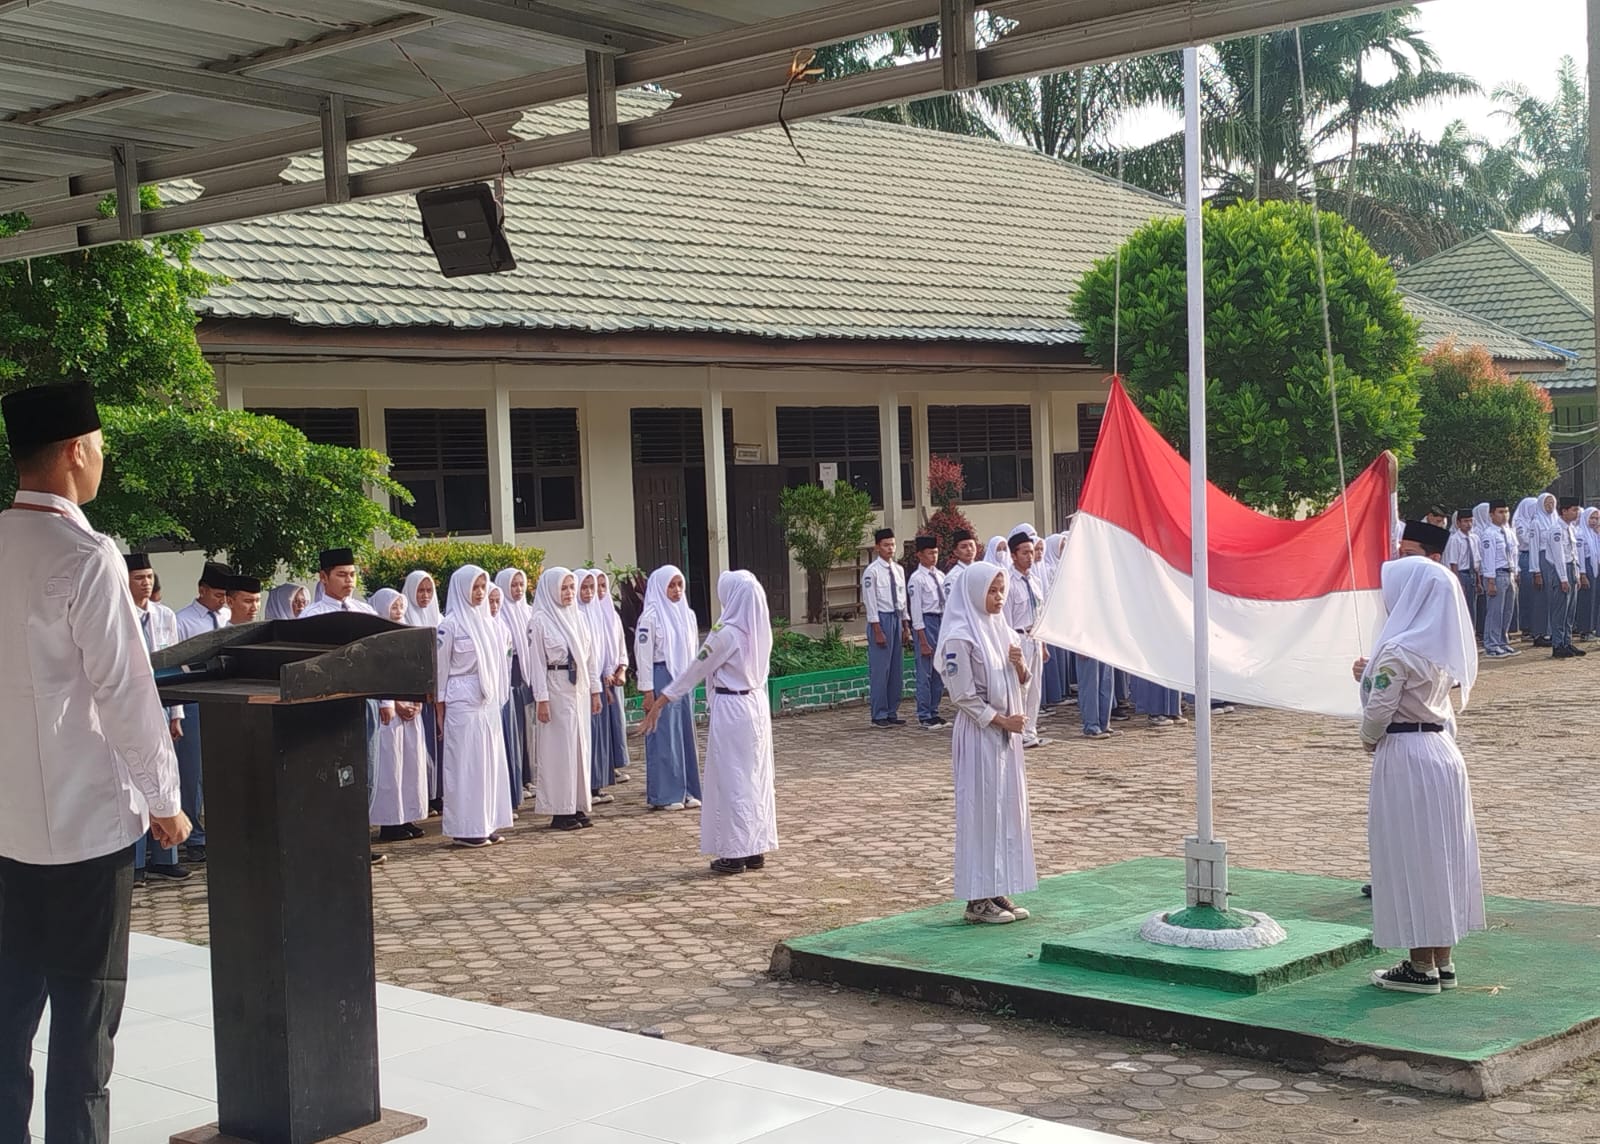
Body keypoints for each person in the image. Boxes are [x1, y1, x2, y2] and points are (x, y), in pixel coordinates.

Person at [0, 380, 192, 1144]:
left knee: (9, 1014)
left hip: (6, 828)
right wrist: (165, 799)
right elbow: (124, 690)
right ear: (77, 452)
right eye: (102, 446)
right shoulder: (86, 555)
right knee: (85, 1022)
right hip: (84, 832)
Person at [1358, 557, 1485, 995]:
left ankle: (1419, 965)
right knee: (1442, 854)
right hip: (1444, 753)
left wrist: (1367, 737)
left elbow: (1379, 711)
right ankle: (1442, 959)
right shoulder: (1441, 650)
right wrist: (1370, 676)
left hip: (1407, 754)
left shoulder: (1397, 650)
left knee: (1411, 854)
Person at [641, 570, 777, 875]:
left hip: (732, 708)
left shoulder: (726, 633)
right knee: (754, 777)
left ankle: (735, 852)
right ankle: (755, 847)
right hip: (755, 704)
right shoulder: (758, 630)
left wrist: (662, 701)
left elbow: (695, 670)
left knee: (732, 778)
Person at [935, 559, 1037, 925]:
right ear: (975, 592)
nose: (997, 599)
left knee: (1004, 811)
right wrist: (1001, 720)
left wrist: (1021, 665)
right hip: (980, 734)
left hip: (1005, 738)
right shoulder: (960, 636)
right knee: (980, 811)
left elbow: (1018, 682)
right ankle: (976, 900)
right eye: (991, 592)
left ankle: (996, 886)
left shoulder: (1001, 629)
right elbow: (962, 695)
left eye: (1001, 591)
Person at [435, 565, 513, 847]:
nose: (479, 593)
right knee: (465, 764)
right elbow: (440, 671)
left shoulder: (489, 623)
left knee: (488, 762)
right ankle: (465, 827)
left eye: (483, 587)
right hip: (461, 700)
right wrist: (440, 710)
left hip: (487, 700)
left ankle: (487, 821)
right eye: (474, 588)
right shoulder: (450, 625)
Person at [124, 554, 190, 885]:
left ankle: (167, 856)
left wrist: (176, 713)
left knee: (167, 775)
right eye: (138, 578)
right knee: (138, 779)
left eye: (149, 577)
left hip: (163, 702)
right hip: (134, 705)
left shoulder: (164, 615)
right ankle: (135, 862)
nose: (146, 583)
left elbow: (175, 664)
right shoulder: (121, 615)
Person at [529, 567, 601, 832]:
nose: (569, 593)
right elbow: (536, 662)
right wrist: (542, 699)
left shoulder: (578, 617)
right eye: (564, 588)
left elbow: (589, 657)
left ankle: (578, 803)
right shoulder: (540, 620)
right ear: (551, 590)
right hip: (556, 685)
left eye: (572, 587)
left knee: (580, 746)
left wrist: (595, 691)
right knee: (560, 750)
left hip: (578, 687)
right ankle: (560, 809)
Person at [171, 560, 232, 864]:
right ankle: (195, 835)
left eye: (225, 596)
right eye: (217, 595)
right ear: (202, 590)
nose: (221, 601)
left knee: (224, 766)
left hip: (226, 699)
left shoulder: (229, 617)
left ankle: (223, 830)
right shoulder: (183, 620)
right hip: (196, 700)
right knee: (193, 771)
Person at [635, 565, 703, 812]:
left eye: (679, 585)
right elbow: (642, 656)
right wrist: (647, 690)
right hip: (661, 675)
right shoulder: (650, 617)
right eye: (671, 586)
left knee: (684, 734)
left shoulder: (688, 614)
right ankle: (665, 794)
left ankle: (687, 789)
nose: (676, 591)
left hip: (684, 678)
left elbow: (694, 649)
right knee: (664, 735)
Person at [367, 589, 429, 844]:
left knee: (410, 767)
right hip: (390, 712)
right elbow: (379, 674)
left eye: (401, 606)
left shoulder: (407, 633)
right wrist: (393, 702)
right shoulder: (378, 638)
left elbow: (416, 671)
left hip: (410, 710)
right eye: (394, 607)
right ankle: (390, 822)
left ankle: (407, 816)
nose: (399, 611)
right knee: (391, 768)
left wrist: (417, 701)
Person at [401, 570, 445, 808]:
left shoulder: (440, 620)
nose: (425, 596)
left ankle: (438, 794)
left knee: (438, 742)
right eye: (420, 590)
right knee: (421, 746)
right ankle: (424, 796)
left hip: (438, 692)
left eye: (429, 591)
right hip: (416, 694)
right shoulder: (404, 620)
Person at [1004, 531, 1050, 748]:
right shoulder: (1008, 582)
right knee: (1019, 687)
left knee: (1035, 688)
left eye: (1032, 552)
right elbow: (1005, 620)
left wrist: (1044, 644)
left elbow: (1040, 612)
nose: (1030, 557)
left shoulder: (1035, 581)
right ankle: (1018, 731)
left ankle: (1030, 730)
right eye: (1024, 553)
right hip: (1019, 638)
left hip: (1035, 638)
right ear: (1014, 555)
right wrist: (1011, 647)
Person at [494, 568, 535, 808]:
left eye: (521, 584)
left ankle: (526, 777)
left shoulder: (528, 611)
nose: (518, 590)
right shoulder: (501, 614)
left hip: (527, 672)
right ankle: (515, 780)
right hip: (512, 672)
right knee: (514, 728)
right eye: (513, 585)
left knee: (526, 729)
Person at [576, 571, 618, 805]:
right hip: (584, 683)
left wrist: (607, 672)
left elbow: (604, 645)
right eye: (585, 587)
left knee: (600, 736)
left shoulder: (595, 612)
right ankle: (589, 785)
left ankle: (598, 784)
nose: (589, 592)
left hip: (599, 680)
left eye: (592, 587)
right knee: (589, 734)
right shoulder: (577, 614)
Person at [860, 527, 909, 728]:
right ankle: (878, 713)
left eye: (893, 545)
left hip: (897, 618)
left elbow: (903, 599)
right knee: (881, 669)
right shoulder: (872, 572)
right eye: (886, 545)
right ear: (877, 547)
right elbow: (871, 603)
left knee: (896, 669)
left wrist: (906, 625)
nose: (890, 549)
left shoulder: (898, 570)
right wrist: (877, 629)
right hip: (881, 620)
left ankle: (891, 710)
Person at [484, 585, 524, 814]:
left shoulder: (503, 628)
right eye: (491, 601)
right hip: (487, 700)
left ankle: (511, 799)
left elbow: (507, 663)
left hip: (503, 695)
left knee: (509, 748)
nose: (494, 606)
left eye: (498, 601)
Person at [594, 571, 633, 783]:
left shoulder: (613, 615)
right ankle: (603, 766)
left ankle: (615, 764)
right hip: (599, 678)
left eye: (602, 585)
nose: (599, 590)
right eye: (595, 586)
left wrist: (622, 669)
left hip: (615, 676)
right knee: (601, 724)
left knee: (616, 722)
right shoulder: (588, 614)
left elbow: (620, 646)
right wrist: (605, 672)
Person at [907, 536, 948, 729]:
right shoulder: (917, 579)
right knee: (926, 671)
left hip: (941, 621)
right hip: (927, 621)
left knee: (939, 669)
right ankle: (924, 713)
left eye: (936, 552)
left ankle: (934, 710)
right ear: (920, 555)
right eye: (929, 553)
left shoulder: (940, 576)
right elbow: (916, 611)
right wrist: (922, 639)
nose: (934, 556)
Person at [1537, 496, 1585, 660]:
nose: (1576, 513)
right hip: (1560, 570)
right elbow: (1558, 556)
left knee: (1570, 609)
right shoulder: (1556, 529)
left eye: (1577, 509)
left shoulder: (1570, 528)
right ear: (1564, 511)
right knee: (1560, 610)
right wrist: (1563, 578)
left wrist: (1577, 574)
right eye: (1573, 509)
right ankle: (1558, 644)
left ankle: (1567, 641)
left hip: (1571, 568)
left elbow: (1574, 553)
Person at [1474, 502, 1517, 659]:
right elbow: (1489, 558)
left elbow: (1514, 553)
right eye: (1500, 512)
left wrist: (1515, 571)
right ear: (1491, 514)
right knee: (1495, 611)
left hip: (1509, 572)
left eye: (1506, 511)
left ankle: (1502, 641)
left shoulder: (1508, 532)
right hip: (1496, 574)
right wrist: (1490, 580)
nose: (1504, 515)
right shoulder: (1489, 534)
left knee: (1507, 611)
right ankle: (1491, 644)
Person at [299, 548, 376, 617]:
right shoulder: (311, 615)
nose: (349, 580)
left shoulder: (366, 611)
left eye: (352, 575)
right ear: (323, 577)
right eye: (342, 575)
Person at [1512, 495, 1547, 643]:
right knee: (1528, 594)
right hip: (1526, 557)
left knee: (1538, 595)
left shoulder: (1539, 521)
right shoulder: (1521, 523)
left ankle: (1537, 627)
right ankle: (1527, 628)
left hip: (1538, 556)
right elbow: (1526, 540)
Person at [1443, 509, 1479, 621]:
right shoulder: (1455, 539)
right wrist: (1458, 582)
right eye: (1465, 521)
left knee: (1473, 606)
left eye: (1470, 521)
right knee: (1463, 606)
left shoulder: (1474, 538)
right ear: (1458, 523)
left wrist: (1478, 580)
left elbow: (1477, 560)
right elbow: (1454, 563)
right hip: (1462, 574)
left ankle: (1472, 630)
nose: (1468, 524)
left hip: (1472, 574)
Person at [944, 529, 978, 593]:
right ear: (956, 552)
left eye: (971, 545)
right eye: (963, 547)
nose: (969, 549)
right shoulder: (953, 577)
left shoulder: (981, 570)